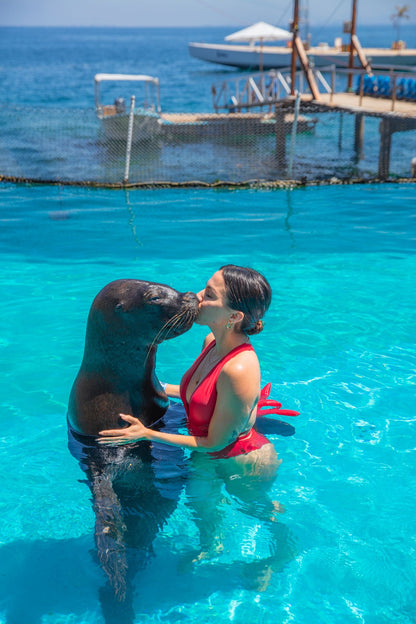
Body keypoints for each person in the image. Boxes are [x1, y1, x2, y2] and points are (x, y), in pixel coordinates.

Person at [99, 265, 284, 560]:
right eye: (204, 288)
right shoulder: (212, 342)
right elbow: (191, 391)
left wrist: (147, 433)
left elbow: (216, 442)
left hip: (241, 463)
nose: (197, 297)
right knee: (202, 508)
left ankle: (284, 547)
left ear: (234, 316)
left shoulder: (238, 369)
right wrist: (138, 383)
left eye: (209, 295)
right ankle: (211, 547)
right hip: (206, 455)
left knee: (258, 510)